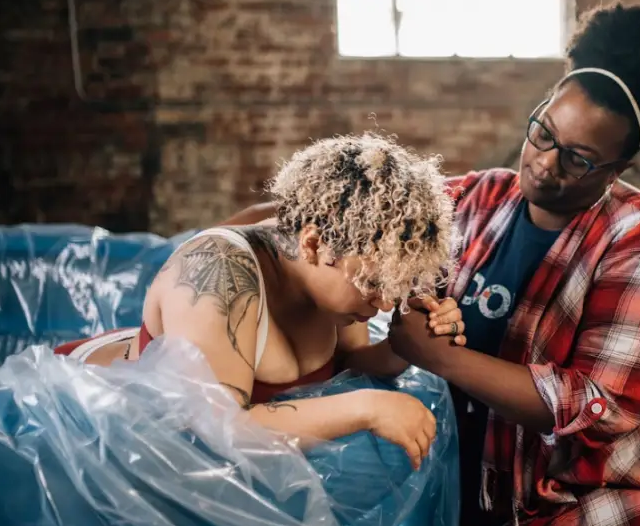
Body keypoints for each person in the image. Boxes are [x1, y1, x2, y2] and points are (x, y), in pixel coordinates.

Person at [227, 2, 640, 526]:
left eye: (579, 159)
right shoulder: (479, 199)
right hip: (497, 466)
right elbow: (355, 211)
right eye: (543, 132)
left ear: (620, 169)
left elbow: (598, 408)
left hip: (627, 479)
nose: (546, 164)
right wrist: (239, 240)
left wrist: (434, 355)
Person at [55, 133, 468, 471]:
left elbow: (348, 364)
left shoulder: (340, 272)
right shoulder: (221, 270)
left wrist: (407, 346)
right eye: (375, 284)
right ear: (313, 244)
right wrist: (368, 408)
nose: (383, 304)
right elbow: (215, 428)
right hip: (86, 435)